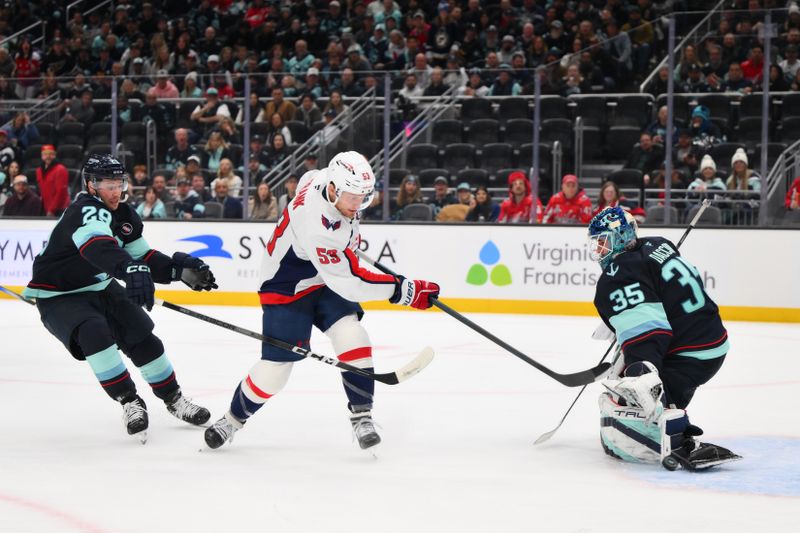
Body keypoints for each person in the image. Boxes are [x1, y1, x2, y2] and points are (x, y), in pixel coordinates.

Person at [203, 151, 440, 451]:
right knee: (277, 370)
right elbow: (351, 284)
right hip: (286, 286)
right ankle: (232, 419)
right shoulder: (318, 226)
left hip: (323, 276)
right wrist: (403, 291)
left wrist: (342, 248)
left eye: (363, 197)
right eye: (353, 198)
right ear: (334, 190)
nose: (358, 205)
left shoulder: (321, 178)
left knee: (352, 333)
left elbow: (307, 182)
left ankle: (361, 415)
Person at [22, 155, 217, 442]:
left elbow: (143, 256)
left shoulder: (124, 215)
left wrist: (178, 271)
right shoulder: (86, 210)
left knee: (142, 335)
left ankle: (173, 399)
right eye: (107, 184)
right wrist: (128, 268)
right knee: (94, 333)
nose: (115, 191)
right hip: (59, 295)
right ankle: (129, 401)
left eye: (118, 183)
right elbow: (97, 247)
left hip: (100, 286)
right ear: (90, 185)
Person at [587, 206, 740, 470]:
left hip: (688, 353)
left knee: (631, 385)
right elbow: (663, 293)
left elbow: (649, 335)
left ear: (621, 237)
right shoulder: (656, 245)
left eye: (603, 241)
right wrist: (621, 322)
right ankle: (669, 404)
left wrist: (640, 370)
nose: (599, 249)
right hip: (711, 341)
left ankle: (670, 429)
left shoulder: (618, 274)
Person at [36, 145, 70, 217]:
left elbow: (61, 192)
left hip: (60, 209)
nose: (48, 156)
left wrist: (51, 210)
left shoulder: (61, 169)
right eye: (45, 154)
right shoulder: (38, 171)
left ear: (54, 155)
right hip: (46, 208)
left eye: (51, 154)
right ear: (42, 156)